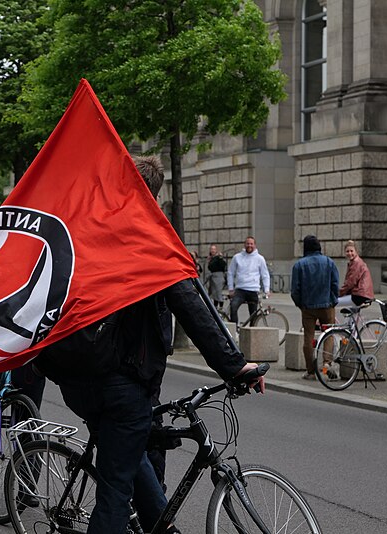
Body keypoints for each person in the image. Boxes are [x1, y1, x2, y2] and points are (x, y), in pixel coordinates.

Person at [36, 155, 264, 534]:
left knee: (128, 455)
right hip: (122, 380)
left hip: (74, 375)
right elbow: (191, 304)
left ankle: (165, 528)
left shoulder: (83, 227)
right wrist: (234, 366)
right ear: (154, 196)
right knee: (114, 491)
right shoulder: (149, 236)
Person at [290, 235, 340, 380]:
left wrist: (301, 304)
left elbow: (295, 290)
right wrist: (332, 301)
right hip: (326, 305)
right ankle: (326, 363)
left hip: (308, 307)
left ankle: (310, 371)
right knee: (329, 335)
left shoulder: (299, 265)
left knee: (308, 338)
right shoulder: (329, 262)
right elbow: (335, 284)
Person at [226, 236, 271, 324]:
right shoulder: (237, 257)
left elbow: (265, 275)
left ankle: (251, 332)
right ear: (244, 244)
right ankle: (234, 331)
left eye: (251, 244)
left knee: (253, 314)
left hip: (253, 290)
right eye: (247, 244)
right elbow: (230, 273)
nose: (249, 246)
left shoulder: (260, 259)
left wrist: (267, 290)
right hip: (240, 290)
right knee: (233, 307)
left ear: (255, 245)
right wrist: (231, 288)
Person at [337, 240, 374, 308]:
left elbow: (350, 283)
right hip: (364, 295)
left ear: (356, 251)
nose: (349, 253)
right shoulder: (357, 262)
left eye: (351, 251)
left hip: (359, 295)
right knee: (352, 315)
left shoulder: (356, 263)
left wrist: (339, 293)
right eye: (347, 251)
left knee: (332, 302)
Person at [206, 244, 227, 311]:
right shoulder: (211, 258)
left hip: (218, 276)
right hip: (213, 277)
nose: (212, 250)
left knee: (218, 292)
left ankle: (220, 307)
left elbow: (223, 265)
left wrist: (219, 257)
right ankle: (215, 307)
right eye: (211, 249)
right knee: (214, 293)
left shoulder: (218, 258)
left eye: (214, 249)